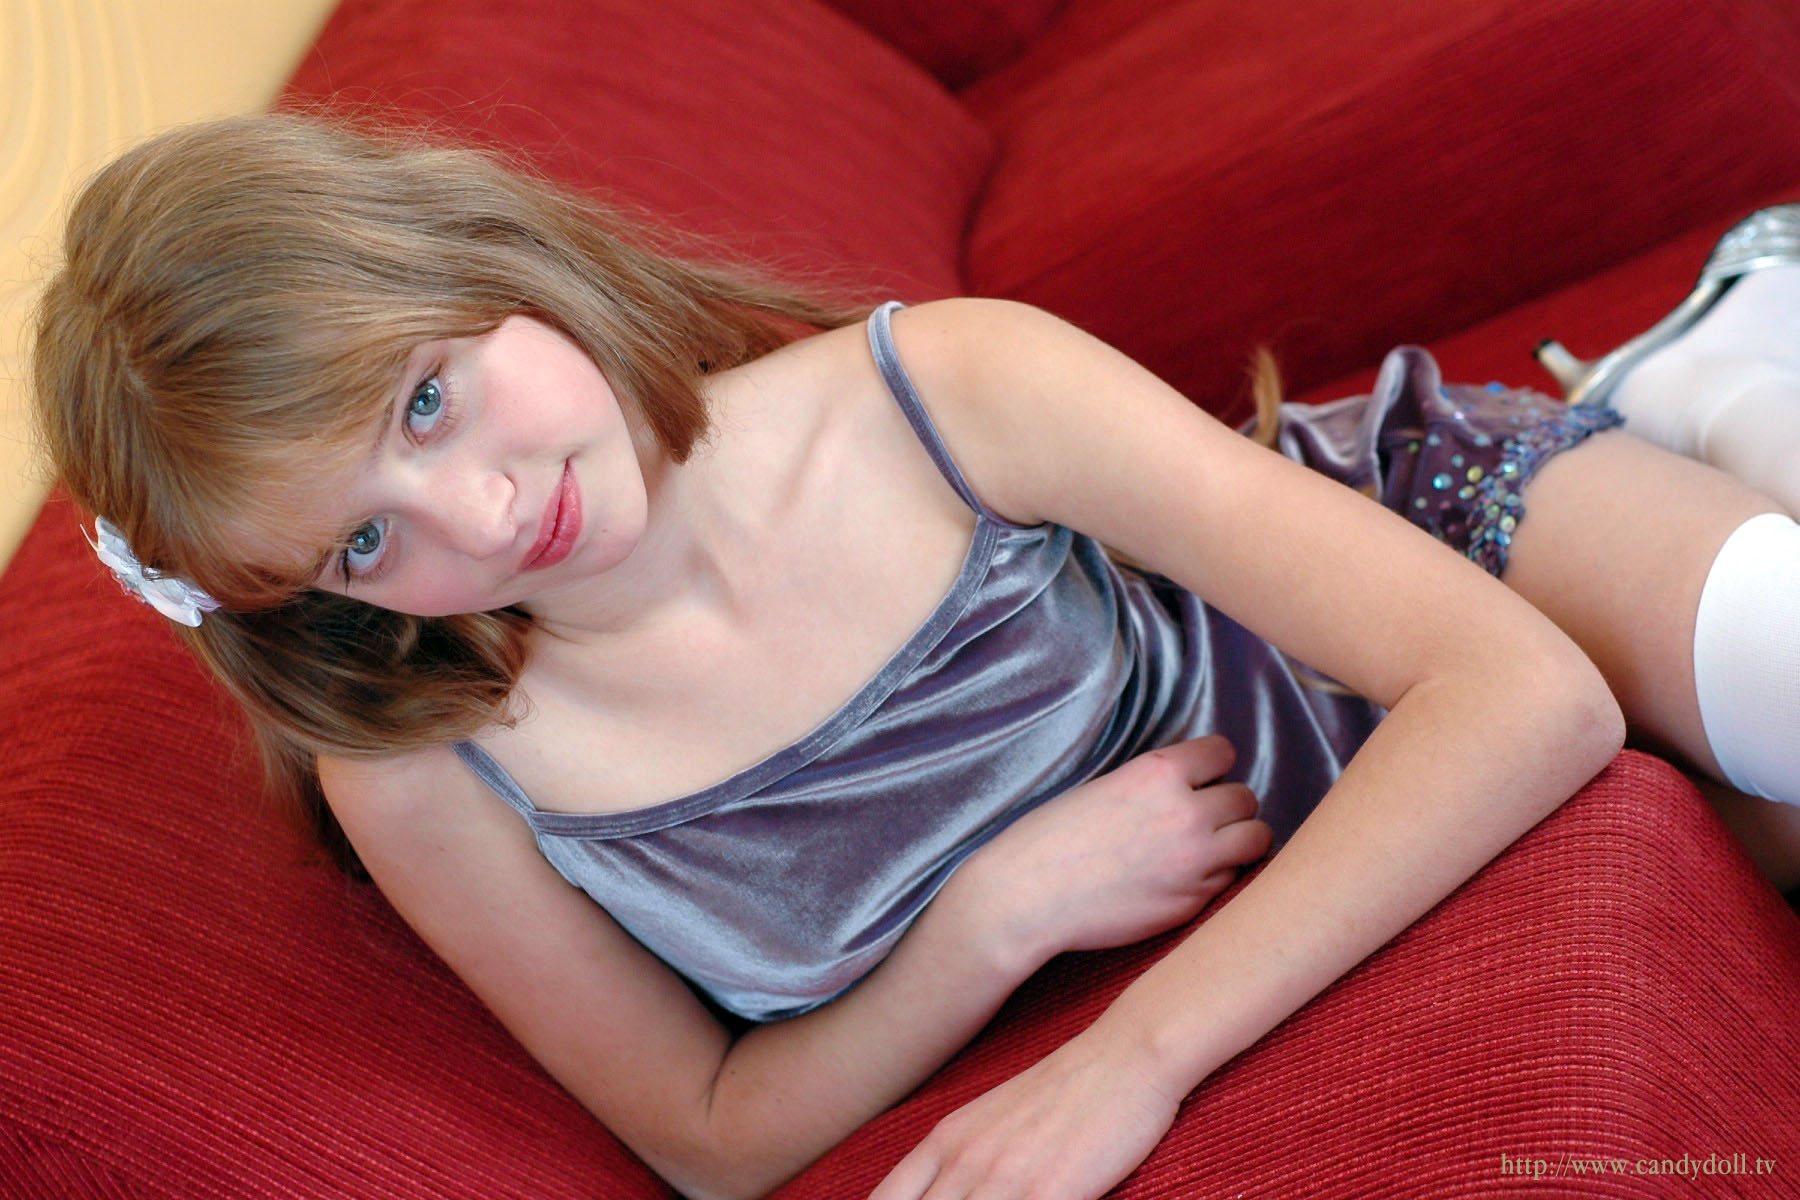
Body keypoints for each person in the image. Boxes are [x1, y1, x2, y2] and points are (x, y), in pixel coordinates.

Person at [28, 112, 1800, 1200]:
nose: (478, 516)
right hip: (1384, 811)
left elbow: (1522, 693)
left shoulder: (943, 389)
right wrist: (986, 927)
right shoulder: (426, 770)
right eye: (360, 542)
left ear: (487, 261)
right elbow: (709, 1139)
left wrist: (1130, 1059)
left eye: (425, 400)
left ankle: (1701, 368)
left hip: (1435, 561)